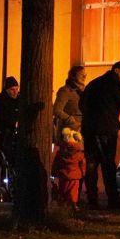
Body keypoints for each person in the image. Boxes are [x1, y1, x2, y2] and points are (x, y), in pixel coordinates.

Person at [80, 61, 120, 209]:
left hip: (89, 130)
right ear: (116, 70)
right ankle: (113, 200)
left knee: (91, 164)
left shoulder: (93, 83)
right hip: (106, 132)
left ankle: (92, 199)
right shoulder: (117, 86)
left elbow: (82, 104)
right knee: (108, 165)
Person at [51, 66, 86, 201]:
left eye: (85, 74)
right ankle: (67, 197)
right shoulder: (65, 91)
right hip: (70, 134)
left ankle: (75, 196)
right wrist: (70, 120)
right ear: (73, 76)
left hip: (82, 131)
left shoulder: (83, 91)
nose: (84, 76)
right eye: (81, 74)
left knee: (80, 163)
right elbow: (57, 110)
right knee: (70, 165)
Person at [0, 76, 20, 201]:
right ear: (6, 89)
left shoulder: (19, 100)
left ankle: (8, 191)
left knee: (10, 166)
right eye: (12, 90)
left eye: (16, 89)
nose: (15, 92)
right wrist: (0, 131)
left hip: (12, 140)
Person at [54, 128, 86, 214]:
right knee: (73, 191)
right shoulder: (79, 153)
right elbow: (82, 164)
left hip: (63, 175)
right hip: (75, 176)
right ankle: (73, 204)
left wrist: (54, 172)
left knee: (63, 189)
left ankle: (62, 204)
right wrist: (83, 173)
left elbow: (56, 163)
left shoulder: (60, 152)